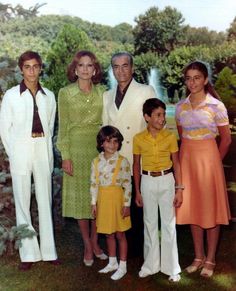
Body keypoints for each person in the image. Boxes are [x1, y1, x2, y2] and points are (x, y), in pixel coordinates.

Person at [0, 51, 59, 271]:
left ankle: (49, 251)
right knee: (22, 201)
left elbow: (50, 126)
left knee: (45, 200)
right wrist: (14, 153)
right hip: (21, 152)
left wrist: (46, 151)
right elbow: (4, 130)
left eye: (36, 66)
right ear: (21, 69)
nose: (32, 71)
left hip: (42, 150)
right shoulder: (12, 95)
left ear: (41, 68)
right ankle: (28, 254)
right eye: (27, 67)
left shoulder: (49, 96)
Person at [175, 61, 231, 278]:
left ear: (205, 79)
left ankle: (210, 258)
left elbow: (226, 140)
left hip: (210, 163)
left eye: (197, 77)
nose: (192, 82)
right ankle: (198, 256)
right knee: (193, 209)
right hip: (188, 161)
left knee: (211, 210)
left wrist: (215, 163)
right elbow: (182, 138)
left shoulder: (216, 106)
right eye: (188, 78)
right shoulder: (180, 107)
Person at [102, 51, 156, 257]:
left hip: (137, 158)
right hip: (114, 161)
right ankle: (126, 254)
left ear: (132, 68)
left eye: (125, 66)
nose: (121, 70)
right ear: (112, 70)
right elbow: (105, 129)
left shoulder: (145, 90)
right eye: (116, 66)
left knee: (138, 207)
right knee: (119, 208)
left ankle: (144, 253)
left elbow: (154, 125)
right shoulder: (107, 95)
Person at [57, 50, 107, 267]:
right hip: (76, 149)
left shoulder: (103, 92)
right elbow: (63, 127)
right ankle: (87, 244)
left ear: (94, 69)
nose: (85, 69)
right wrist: (65, 156)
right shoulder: (65, 93)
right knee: (81, 202)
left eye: (89, 65)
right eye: (81, 65)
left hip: (98, 150)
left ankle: (96, 242)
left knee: (97, 199)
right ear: (75, 69)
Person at [133, 98, 182, 282]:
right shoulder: (138, 138)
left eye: (163, 115)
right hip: (147, 182)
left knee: (169, 224)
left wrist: (179, 188)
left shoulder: (170, 137)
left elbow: (176, 164)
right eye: (158, 115)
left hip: (167, 180)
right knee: (150, 223)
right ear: (147, 117)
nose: (162, 119)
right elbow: (136, 165)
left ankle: (172, 268)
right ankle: (150, 266)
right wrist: (137, 191)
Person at [90, 125, 131, 280]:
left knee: (120, 234)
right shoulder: (96, 162)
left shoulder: (123, 161)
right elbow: (93, 183)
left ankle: (123, 265)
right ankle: (112, 262)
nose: (112, 145)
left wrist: (126, 205)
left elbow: (127, 184)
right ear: (101, 143)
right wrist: (94, 203)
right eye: (108, 142)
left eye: (115, 141)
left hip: (117, 200)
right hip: (103, 200)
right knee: (108, 233)